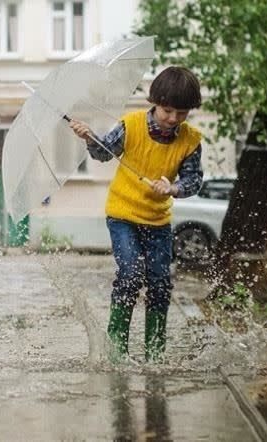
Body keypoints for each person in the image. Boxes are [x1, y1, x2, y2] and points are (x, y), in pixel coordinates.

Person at [68, 66, 204, 363]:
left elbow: (194, 181)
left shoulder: (190, 140)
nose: (173, 119)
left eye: (182, 113)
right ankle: (117, 352)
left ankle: (155, 354)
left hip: (158, 220)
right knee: (130, 275)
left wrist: (175, 188)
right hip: (123, 215)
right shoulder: (130, 126)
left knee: (159, 282)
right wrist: (90, 137)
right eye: (168, 110)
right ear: (154, 102)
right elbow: (103, 153)